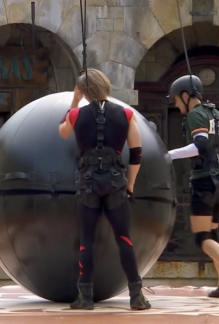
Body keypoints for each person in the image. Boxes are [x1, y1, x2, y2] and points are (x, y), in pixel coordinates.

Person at [58, 68, 150, 310]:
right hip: (116, 185)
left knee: (86, 240)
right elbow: (137, 153)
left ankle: (85, 297)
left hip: (88, 185)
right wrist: (129, 184)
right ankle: (136, 296)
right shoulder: (127, 114)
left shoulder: (76, 115)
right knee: (124, 239)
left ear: (83, 90)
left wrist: (74, 101)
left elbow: (62, 131)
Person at [166, 74, 219, 301]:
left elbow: (199, 145)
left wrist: (168, 156)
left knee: (202, 237)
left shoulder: (195, 115)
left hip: (203, 181)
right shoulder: (218, 116)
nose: (175, 103)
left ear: (187, 96)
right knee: (212, 232)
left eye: (177, 99)